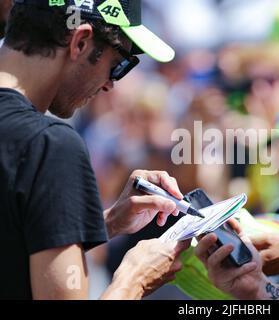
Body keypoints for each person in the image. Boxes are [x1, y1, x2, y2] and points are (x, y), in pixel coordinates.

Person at [0, 0, 189, 299]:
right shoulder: (50, 145)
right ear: (81, 42)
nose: (110, 86)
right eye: (119, 64)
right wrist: (136, 278)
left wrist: (104, 222)